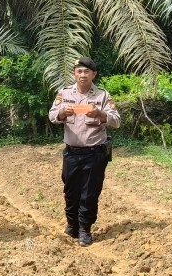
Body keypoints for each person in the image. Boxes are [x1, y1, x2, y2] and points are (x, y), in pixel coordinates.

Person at [48, 57, 121, 247]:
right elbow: (52, 115)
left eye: (86, 72)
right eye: (79, 71)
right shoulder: (63, 94)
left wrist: (100, 114)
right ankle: (72, 223)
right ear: (74, 73)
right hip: (71, 153)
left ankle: (85, 229)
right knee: (70, 191)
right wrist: (62, 113)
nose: (82, 75)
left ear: (93, 74)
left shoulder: (103, 96)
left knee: (89, 192)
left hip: (95, 153)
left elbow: (116, 120)